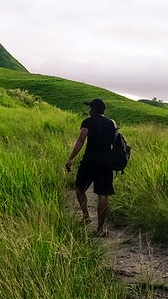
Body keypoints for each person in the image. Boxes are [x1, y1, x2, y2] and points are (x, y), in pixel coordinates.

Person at [65, 98, 117, 237]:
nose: (89, 110)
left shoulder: (88, 122)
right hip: (106, 162)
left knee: (80, 188)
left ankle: (86, 216)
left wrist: (71, 158)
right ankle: (100, 229)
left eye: (90, 108)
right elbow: (115, 142)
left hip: (89, 161)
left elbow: (81, 140)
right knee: (103, 195)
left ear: (93, 109)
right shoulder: (112, 123)